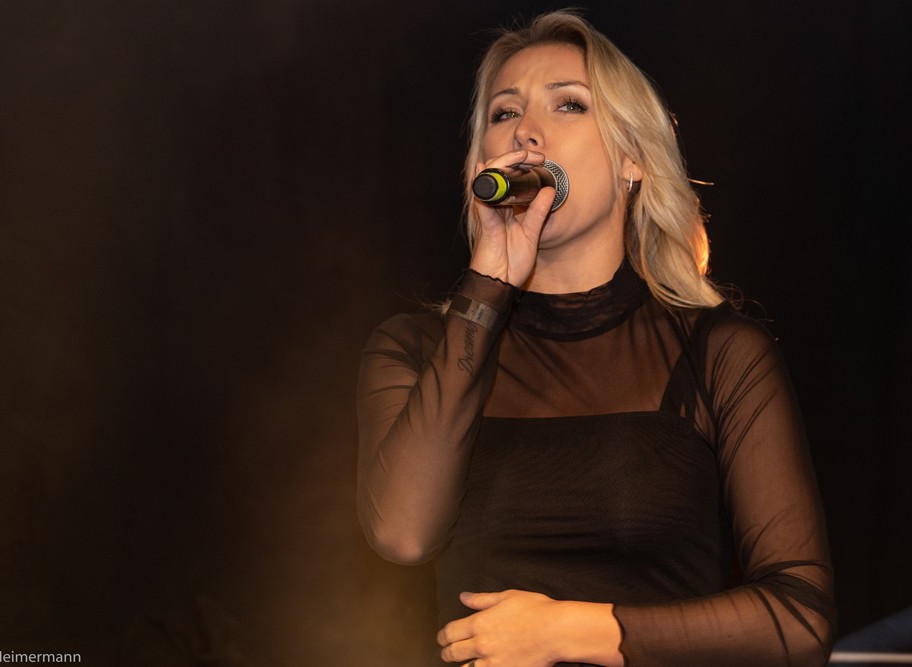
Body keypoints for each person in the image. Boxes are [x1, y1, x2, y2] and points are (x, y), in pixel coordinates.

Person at [356, 10, 835, 666]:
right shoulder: (416, 348)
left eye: (569, 105)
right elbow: (402, 533)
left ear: (631, 158)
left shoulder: (718, 352)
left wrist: (566, 630)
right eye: (503, 113)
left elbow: (799, 619)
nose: (526, 131)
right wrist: (488, 286)